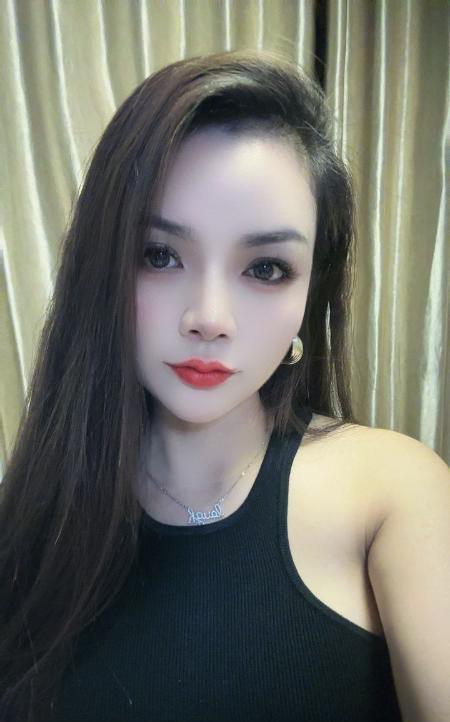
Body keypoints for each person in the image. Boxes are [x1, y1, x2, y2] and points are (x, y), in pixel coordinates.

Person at [1, 48, 448, 722]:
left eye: (265, 268)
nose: (209, 318)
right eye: (159, 255)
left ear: (311, 290)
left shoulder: (391, 493)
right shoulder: (30, 528)